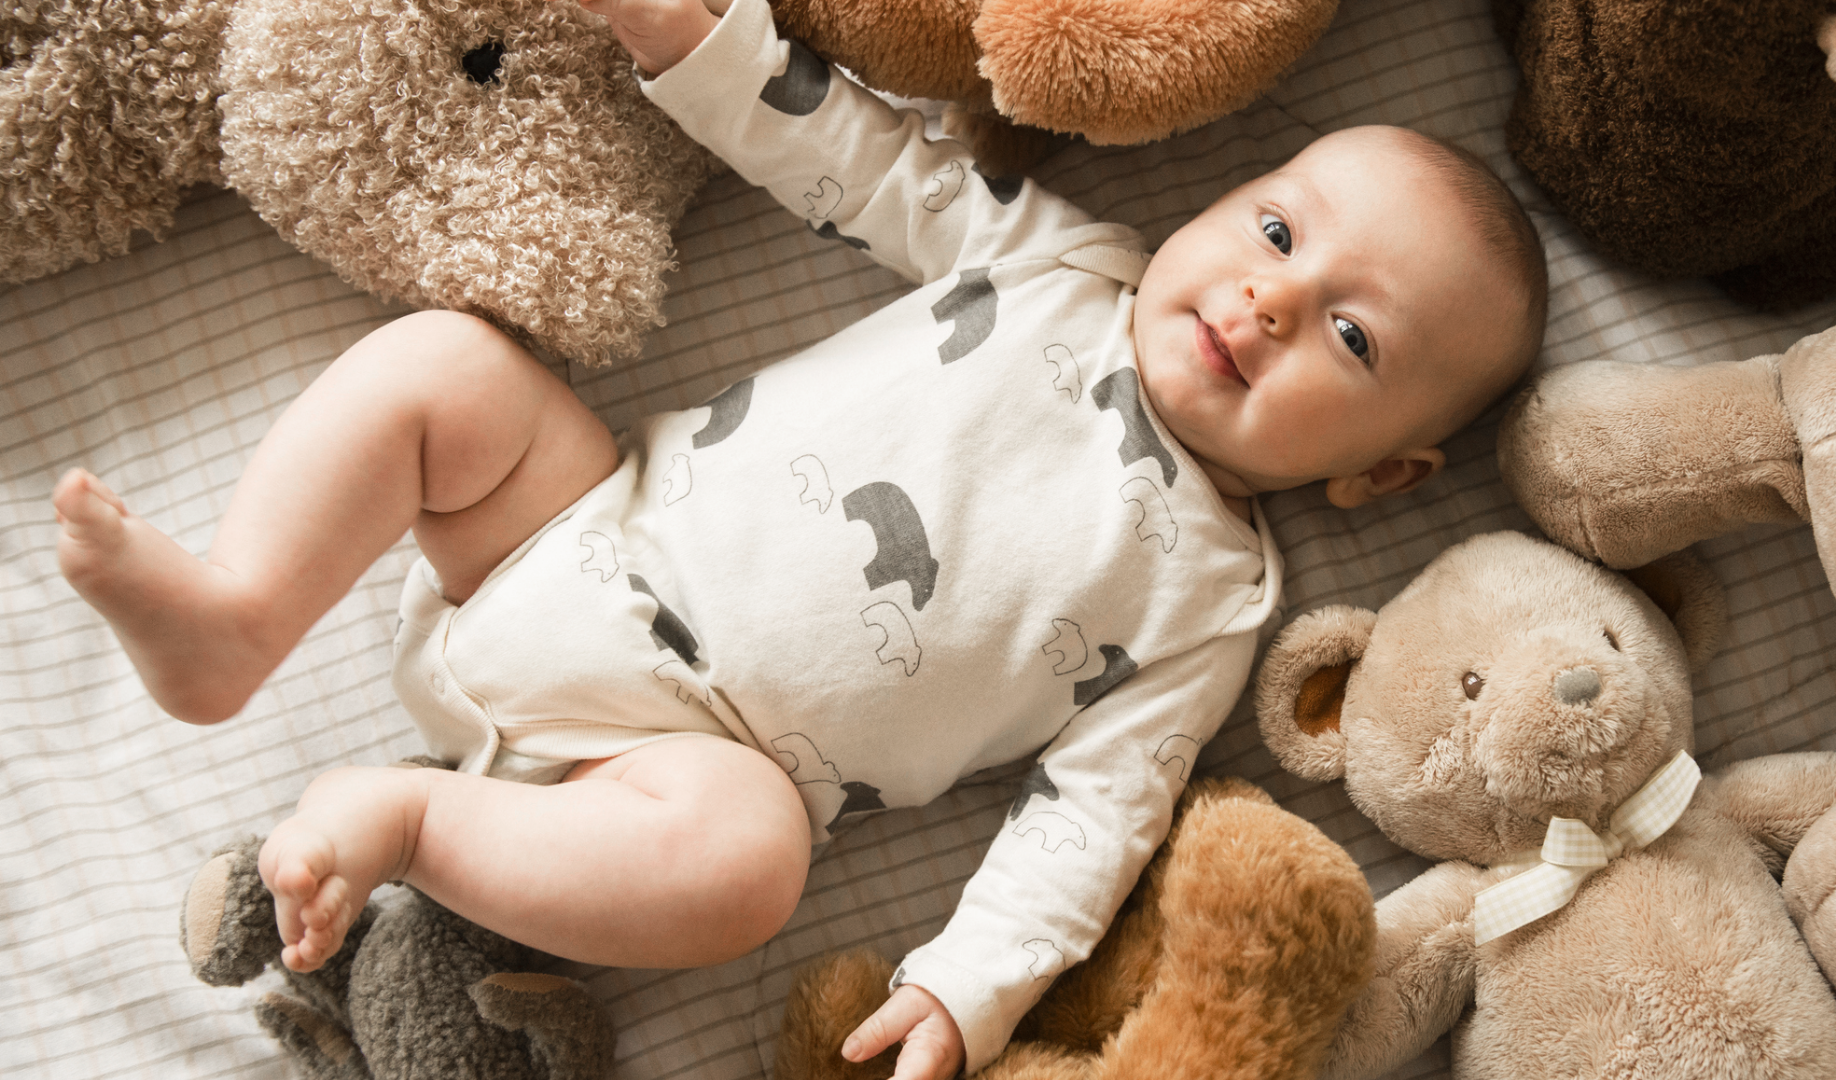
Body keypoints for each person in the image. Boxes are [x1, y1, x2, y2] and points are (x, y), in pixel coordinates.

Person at [52, 0, 1549, 1074]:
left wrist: (973, 990)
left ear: (1384, 476)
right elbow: (867, 166)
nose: (1270, 303)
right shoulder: (1064, 268)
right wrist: (696, 46)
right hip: (576, 524)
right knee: (454, 369)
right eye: (1278, 232)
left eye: (1350, 335)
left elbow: (1093, 825)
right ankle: (237, 615)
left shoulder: (1213, 601)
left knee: (753, 870)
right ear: (1221, 203)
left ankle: (414, 822)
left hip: (676, 766)